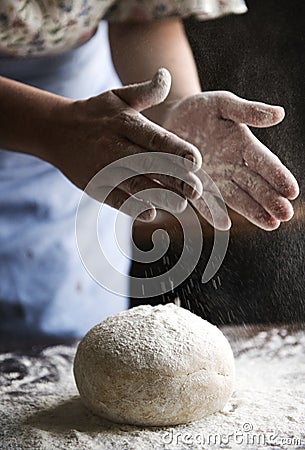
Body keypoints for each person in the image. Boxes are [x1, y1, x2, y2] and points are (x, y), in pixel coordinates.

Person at [0, 0, 299, 340]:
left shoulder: (91, 136)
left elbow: (140, 15)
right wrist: (51, 128)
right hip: (61, 128)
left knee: (63, 357)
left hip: (94, 137)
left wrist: (172, 106)